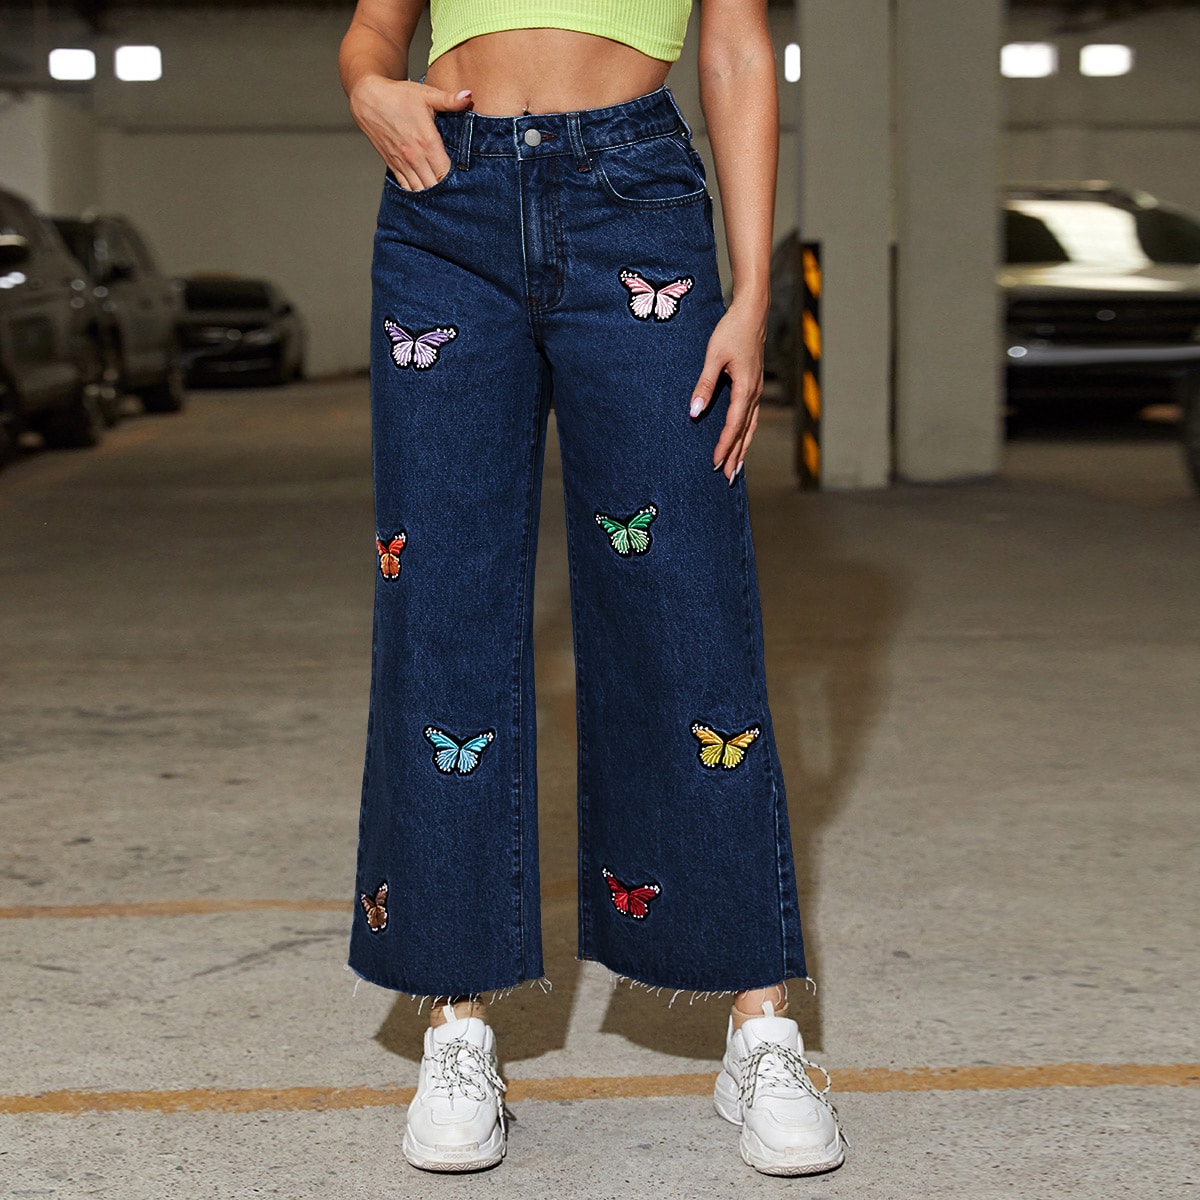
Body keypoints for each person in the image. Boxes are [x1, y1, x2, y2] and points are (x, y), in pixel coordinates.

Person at [338, 0, 846, 1177]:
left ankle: (760, 1025)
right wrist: (370, 89)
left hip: (636, 194)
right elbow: (373, 28)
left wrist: (751, 294)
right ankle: (456, 1021)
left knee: (687, 606)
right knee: (439, 605)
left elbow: (735, 47)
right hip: (442, 201)